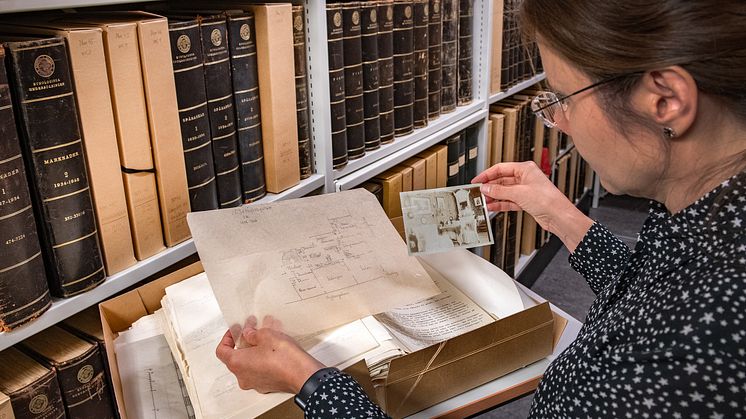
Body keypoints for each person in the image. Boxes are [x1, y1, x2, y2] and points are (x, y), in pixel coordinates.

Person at [215, 0, 746, 417]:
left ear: (665, 99)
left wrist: (309, 383)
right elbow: (646, 295)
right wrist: (560, 214)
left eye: (561, 98)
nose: (554, 122)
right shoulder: (709, 209)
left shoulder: (702, 355)